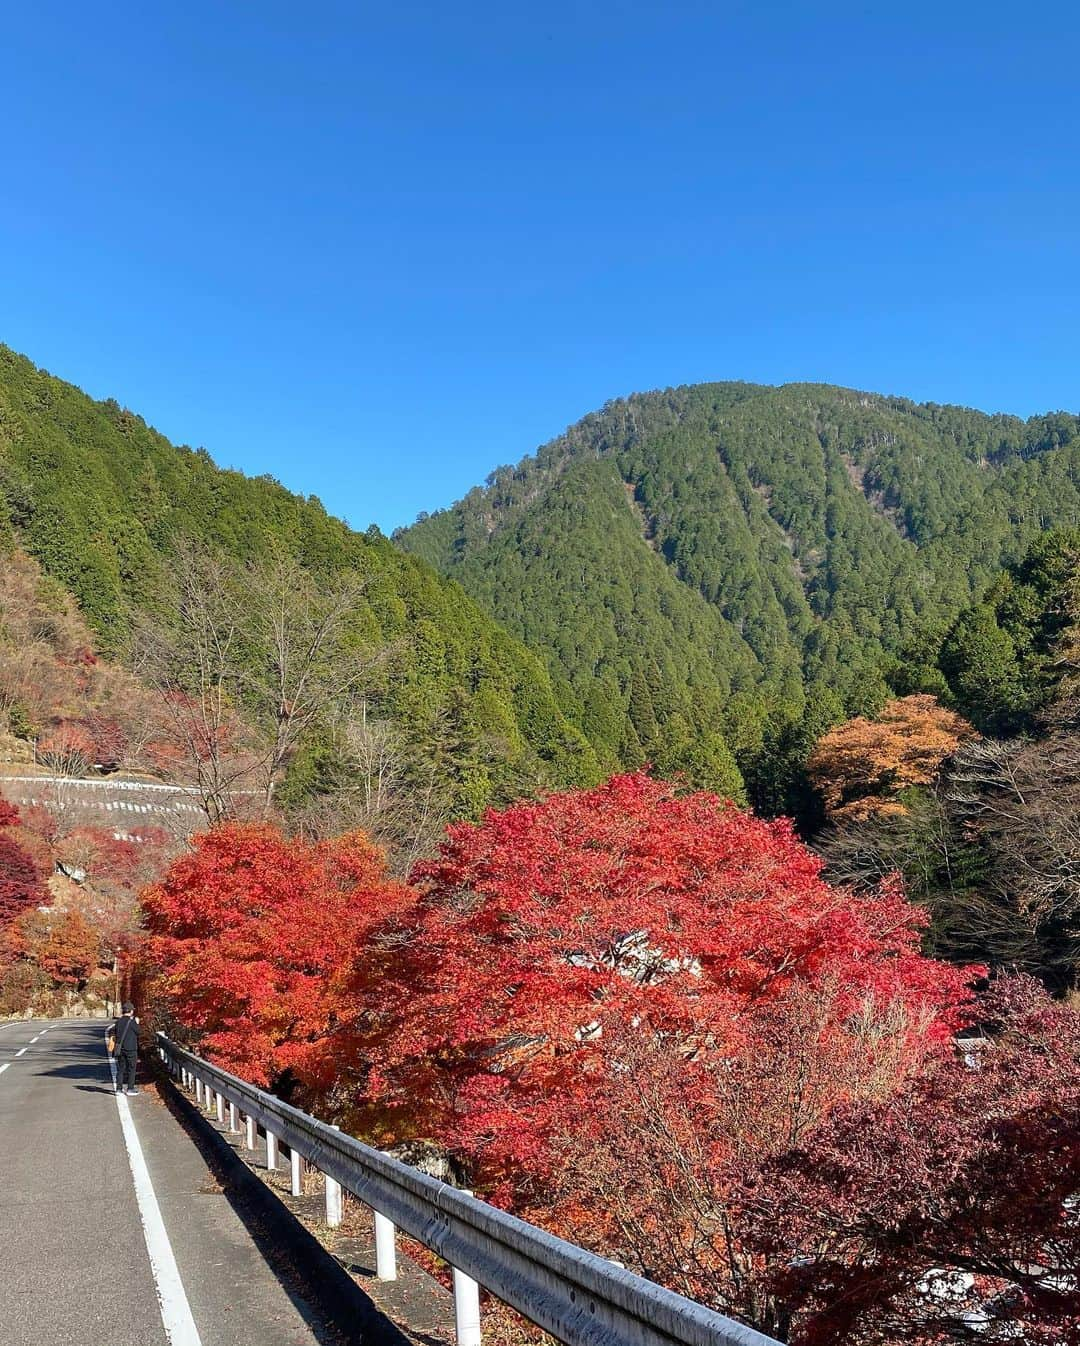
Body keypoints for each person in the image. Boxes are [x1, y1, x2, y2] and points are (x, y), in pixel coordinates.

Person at [109, 1001, 141, 1096]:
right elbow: (139, 1032)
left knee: (121, 1069)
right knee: (131, 1068)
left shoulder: (118, 1022)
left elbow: (112, 1032)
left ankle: (119, 1089)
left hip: (120, 1048)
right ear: (131, 1011)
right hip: (131, 1049)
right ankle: (130, 1088)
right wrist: (137, 1023)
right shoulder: (132, 1022)